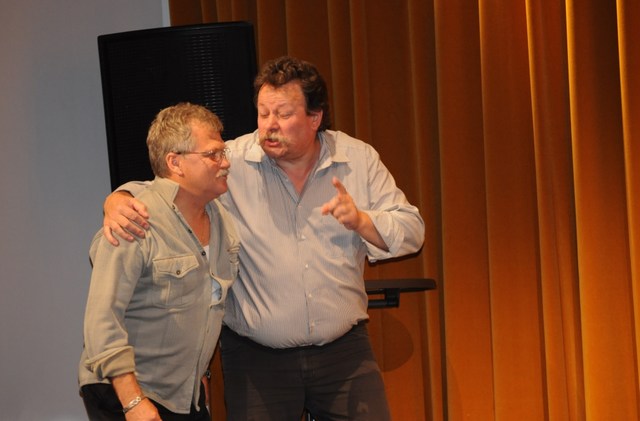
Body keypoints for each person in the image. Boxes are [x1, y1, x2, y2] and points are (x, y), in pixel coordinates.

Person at [103, 56, 425, 421]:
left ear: (315, 118)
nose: (269, 125)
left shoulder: (357, 159)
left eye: (283, 114)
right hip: (257, 360)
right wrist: (119, 199)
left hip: (344, 353)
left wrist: (363, 221)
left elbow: (412, 230)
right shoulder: (231, 161)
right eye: (263, 113)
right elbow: (168, 186)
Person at [79, 102, 240, 421]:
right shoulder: (134, 219)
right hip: (127, 393)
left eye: (223, 152)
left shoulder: (223, 222)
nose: (225, 163)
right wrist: (132, 401)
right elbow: (102, 319)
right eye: (212, 154)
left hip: (182, 395)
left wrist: (196, 377)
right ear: (175, 162)